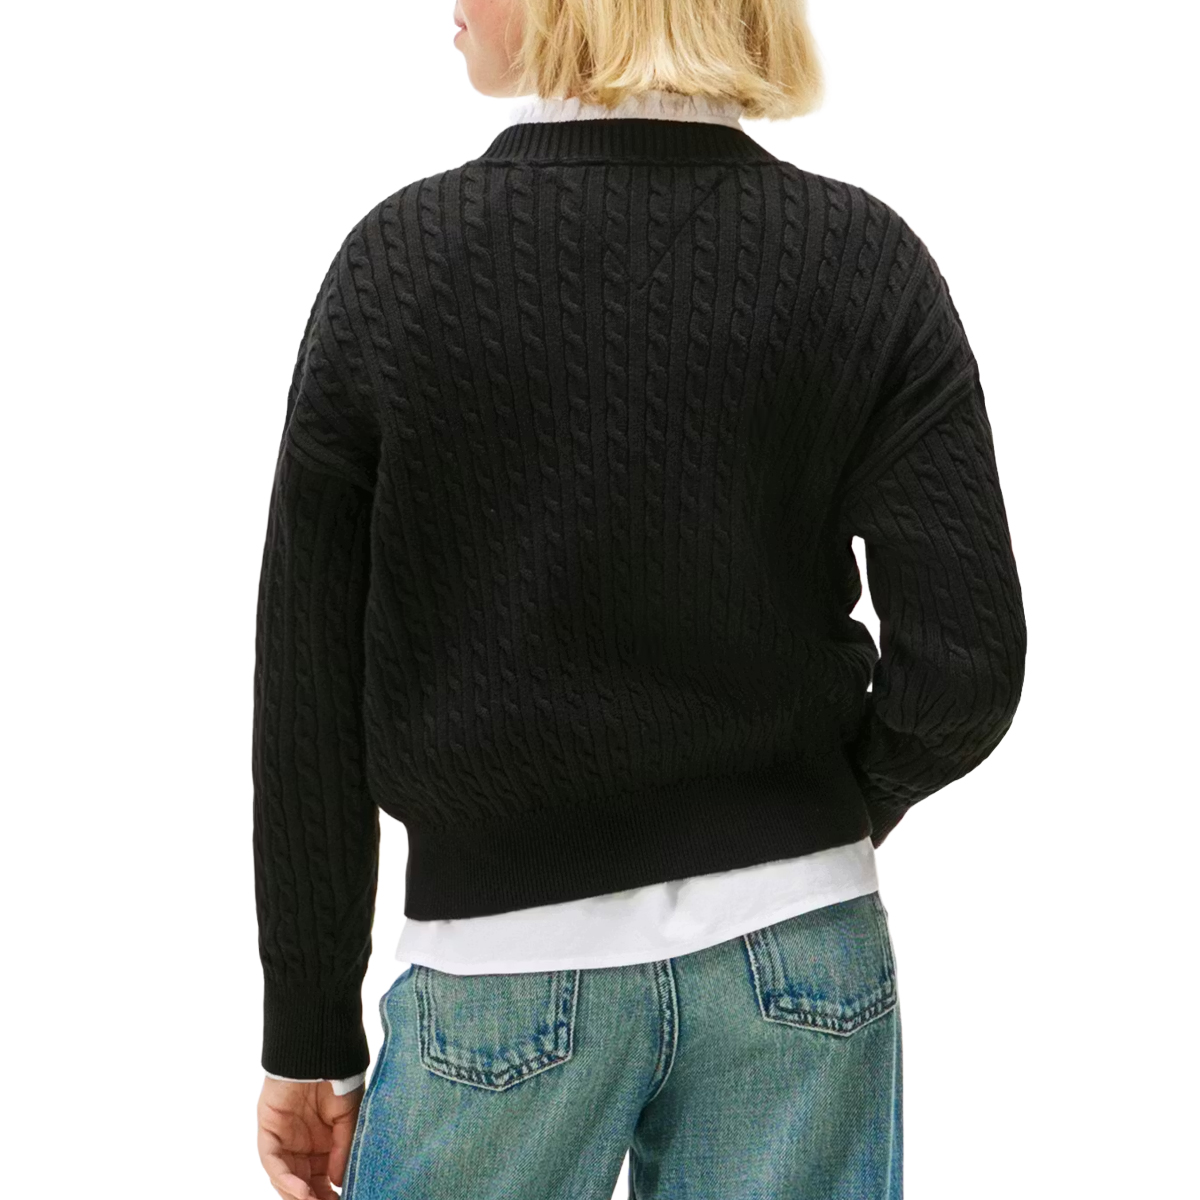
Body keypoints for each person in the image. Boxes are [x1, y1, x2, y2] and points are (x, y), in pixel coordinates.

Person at [252, 1, 1027, 1197]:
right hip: (801, 955)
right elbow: (967, 666)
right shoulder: (862, 258)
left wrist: (311, 1034)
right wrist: (807, 816)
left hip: (500, 971)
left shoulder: (398, 265)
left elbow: (307, 695)